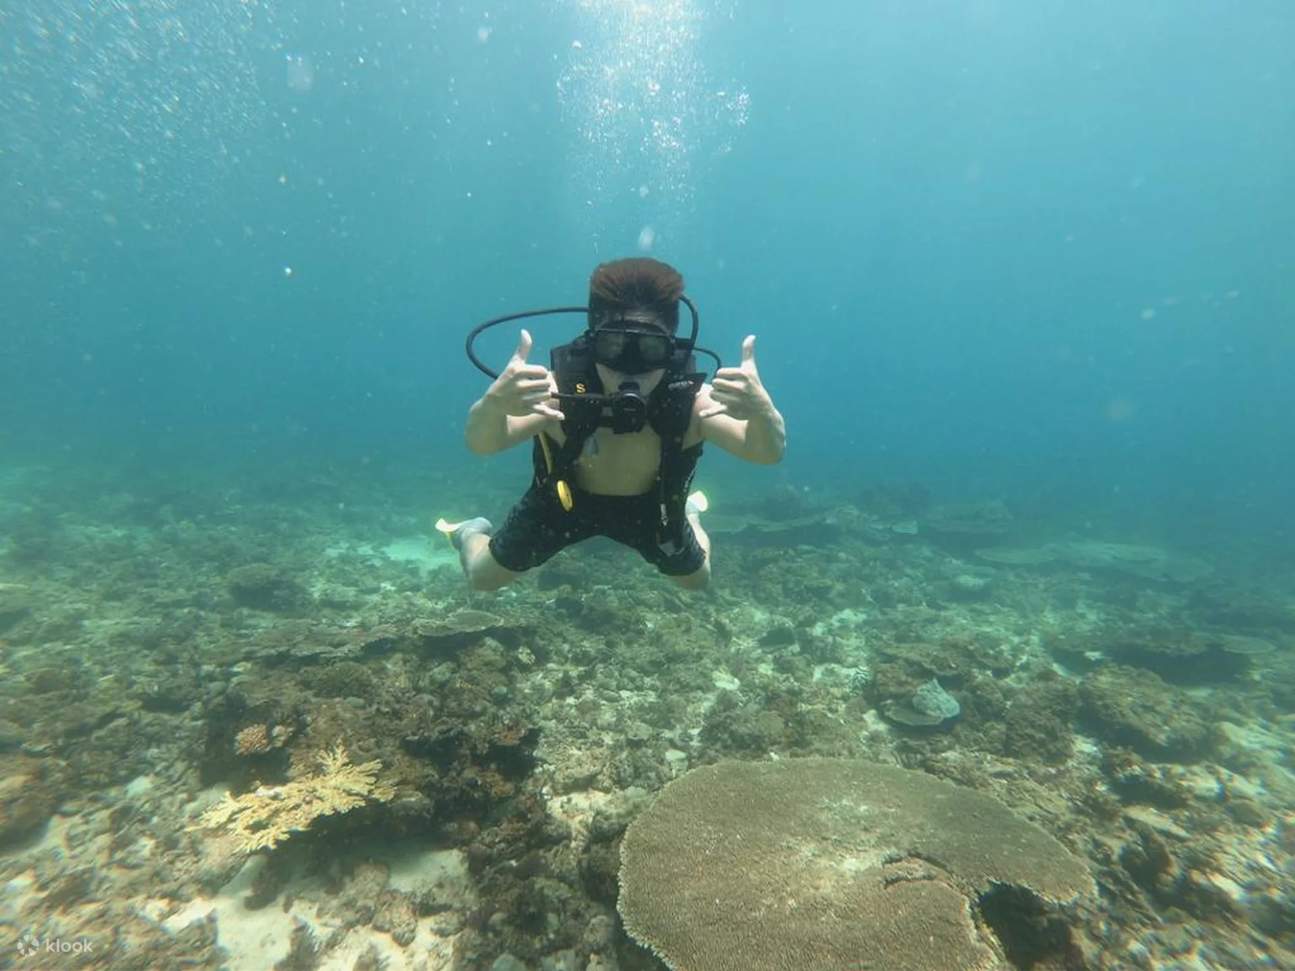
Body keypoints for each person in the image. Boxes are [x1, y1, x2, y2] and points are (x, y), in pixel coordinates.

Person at [440, 257, 785, 592]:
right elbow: (482, 443)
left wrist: (763, 413)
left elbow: (765, 452)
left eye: (650, 349)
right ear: (593, 345)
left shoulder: (693, 403)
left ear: (671, 351)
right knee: (483, 578)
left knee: (697, 582)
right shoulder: (556, 393)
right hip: (562, 503)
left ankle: (690, 514)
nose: (629, 367)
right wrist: (493, 406)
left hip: (655, 510)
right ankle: (470, 532)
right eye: (614, 346)